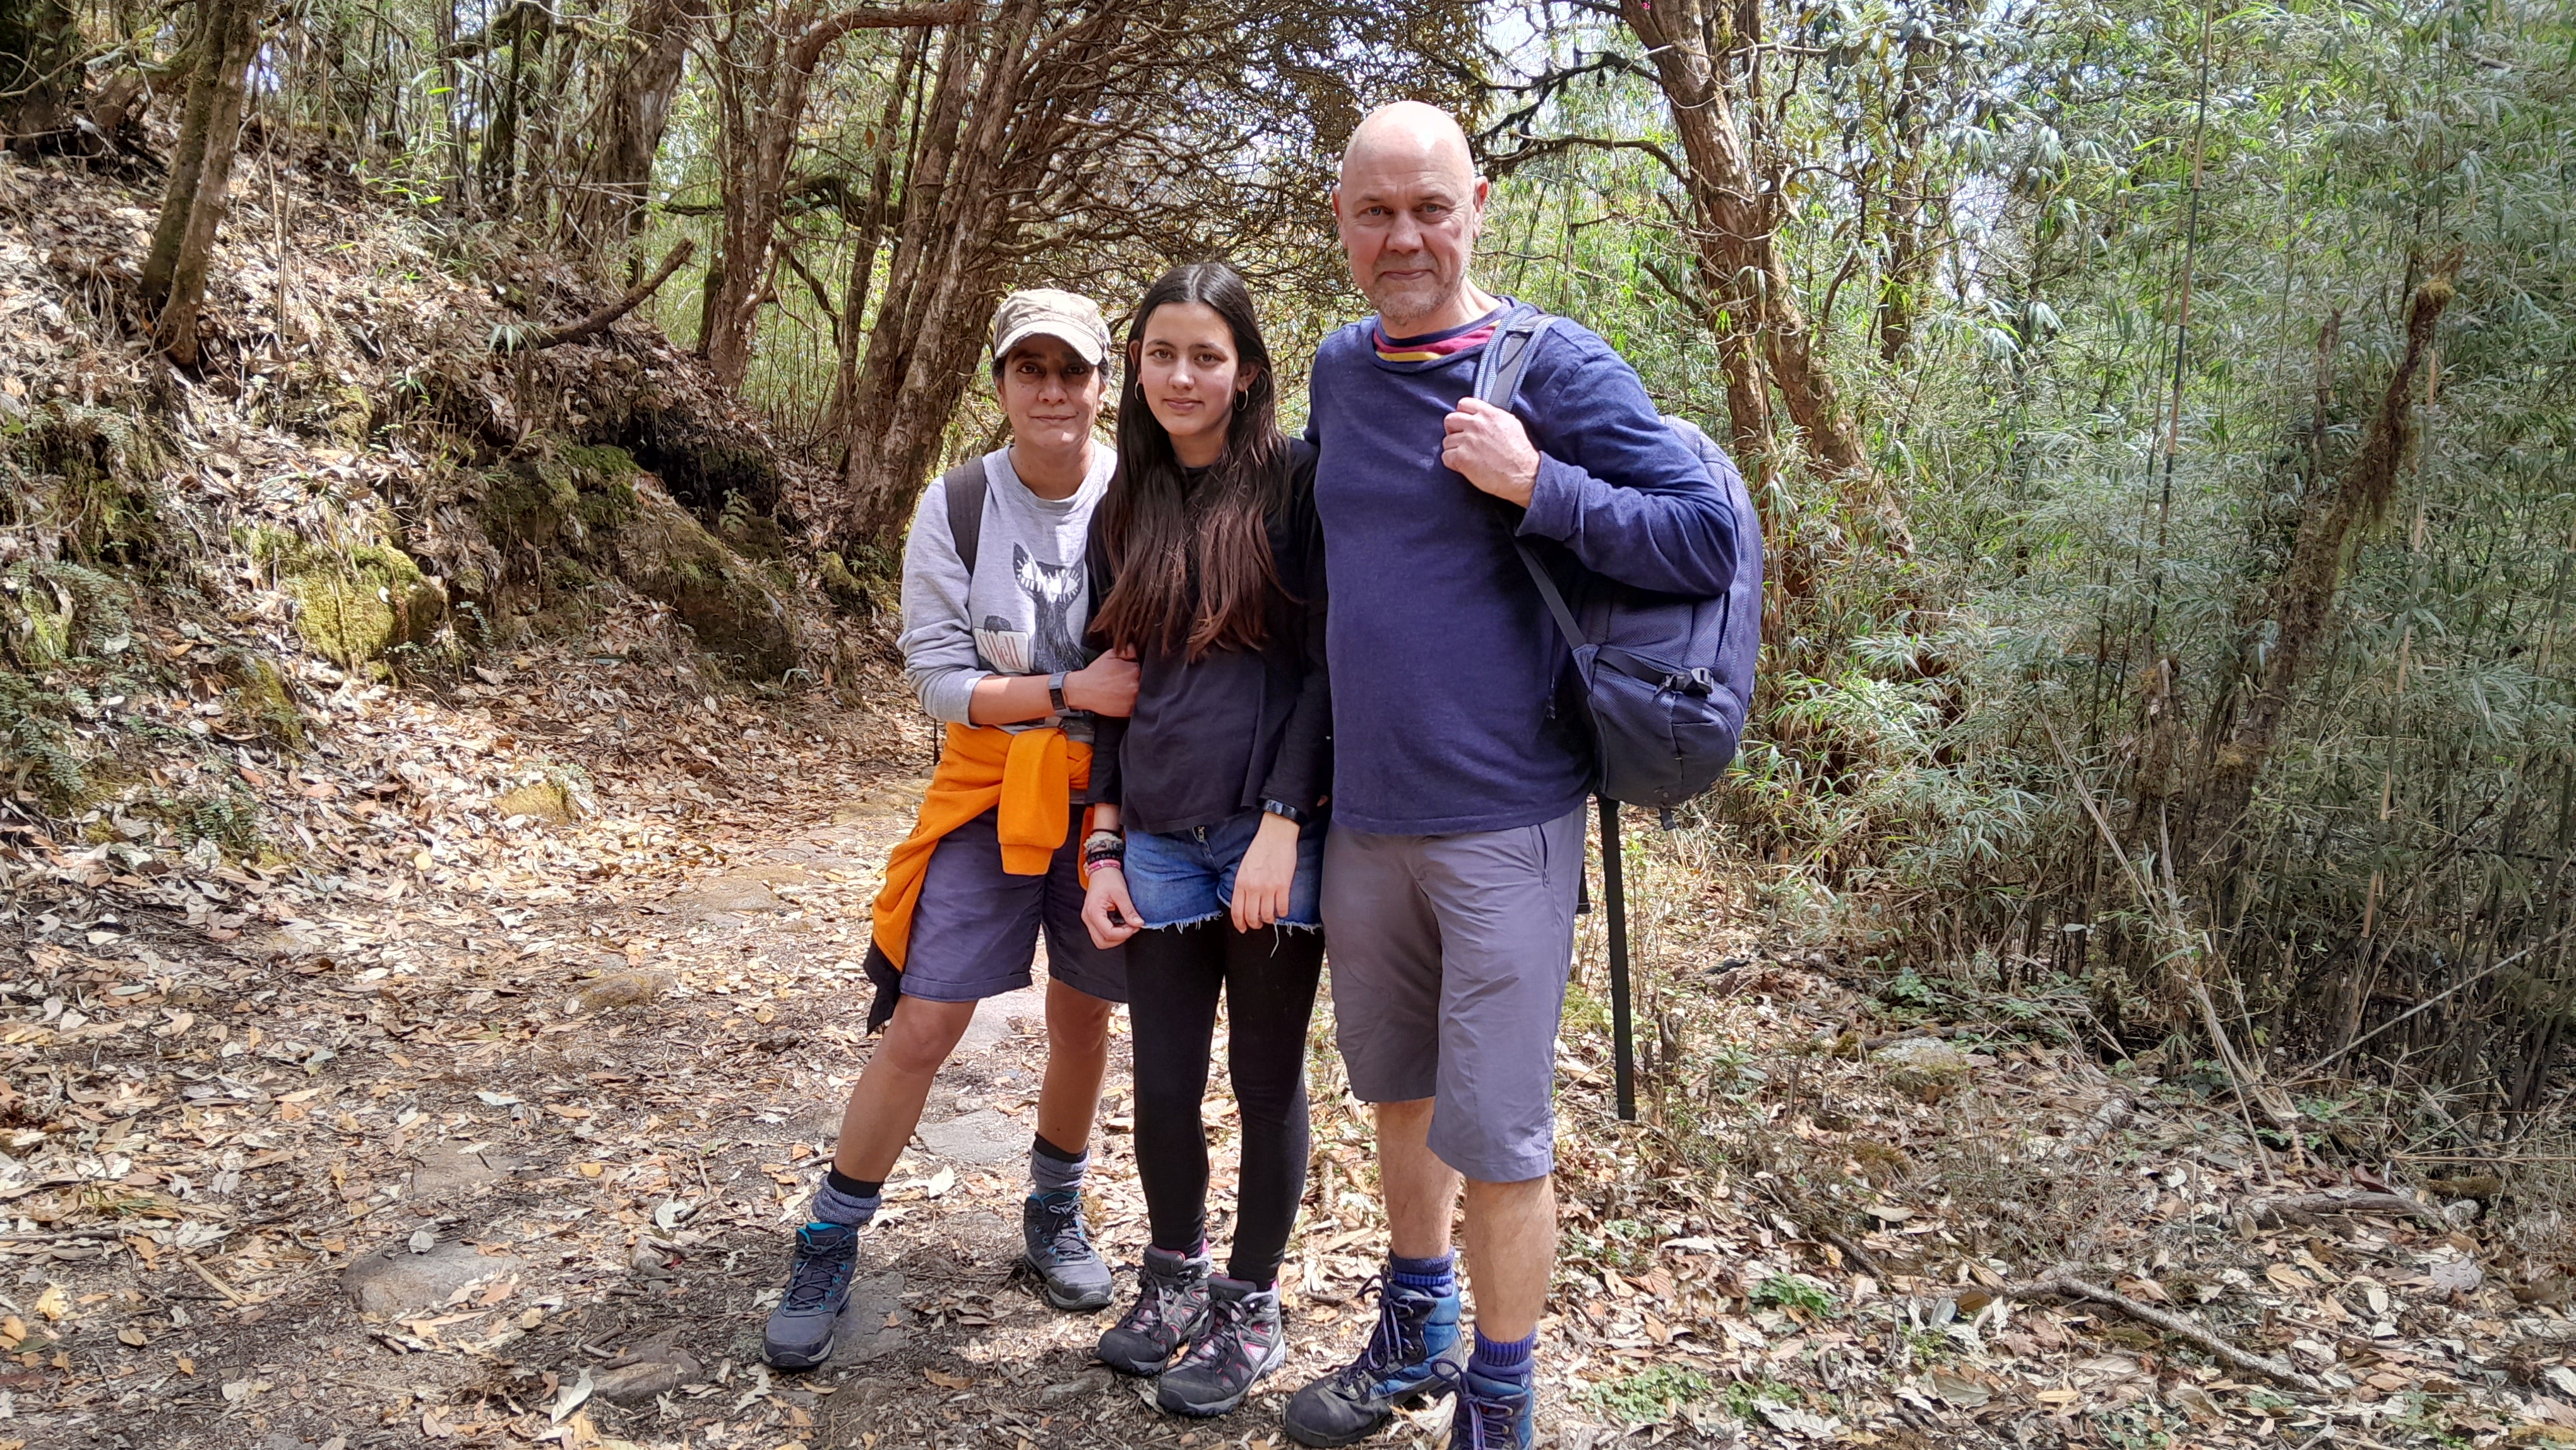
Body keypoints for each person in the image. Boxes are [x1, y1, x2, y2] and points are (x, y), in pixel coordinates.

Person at [1280, 104, 1739, 1450]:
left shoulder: (1554, 364)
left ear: (1478, 202)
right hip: (1367, 822)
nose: (1406, 235)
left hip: (1508, 826)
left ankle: (1501, 1396)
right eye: (1378, 212)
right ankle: (1415, 1329)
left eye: (1431, 206)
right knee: (1402, 1097)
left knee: (1503, 1136)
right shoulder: (1339, 371)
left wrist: (1541, 485)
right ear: (1343, 222)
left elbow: (1707, 532)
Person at [763, 288, 1142, 1370]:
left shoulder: (1139, 494)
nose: (1054, 391)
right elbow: (936, 678)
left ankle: (1053, 1212)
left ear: (1102, 383)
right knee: (926, 1021)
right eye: (1032, 370)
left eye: (1072, 371)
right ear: (1002, 385)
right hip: (988, 791)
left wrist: (1090, 706)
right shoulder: (961, 503)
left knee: (1083, 1020)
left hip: (1113, 798)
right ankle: (830, 1236)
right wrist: (1070, 687)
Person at [1078, 261, 1330, 1419]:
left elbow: (1328, 668)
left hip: (1267, 835)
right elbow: (1115, 694)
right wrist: (1104, 843)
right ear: (1137, 369)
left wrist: (1285, 822)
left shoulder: (1292, 484)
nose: (1182, 377)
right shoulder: (1124, 504)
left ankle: (1250, 1306)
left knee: (1265, 1082)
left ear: (1247, 370)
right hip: (1161, 838)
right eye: (1161, 355)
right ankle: (1172, 1280)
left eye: (1207, 356)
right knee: (1168, 1082)